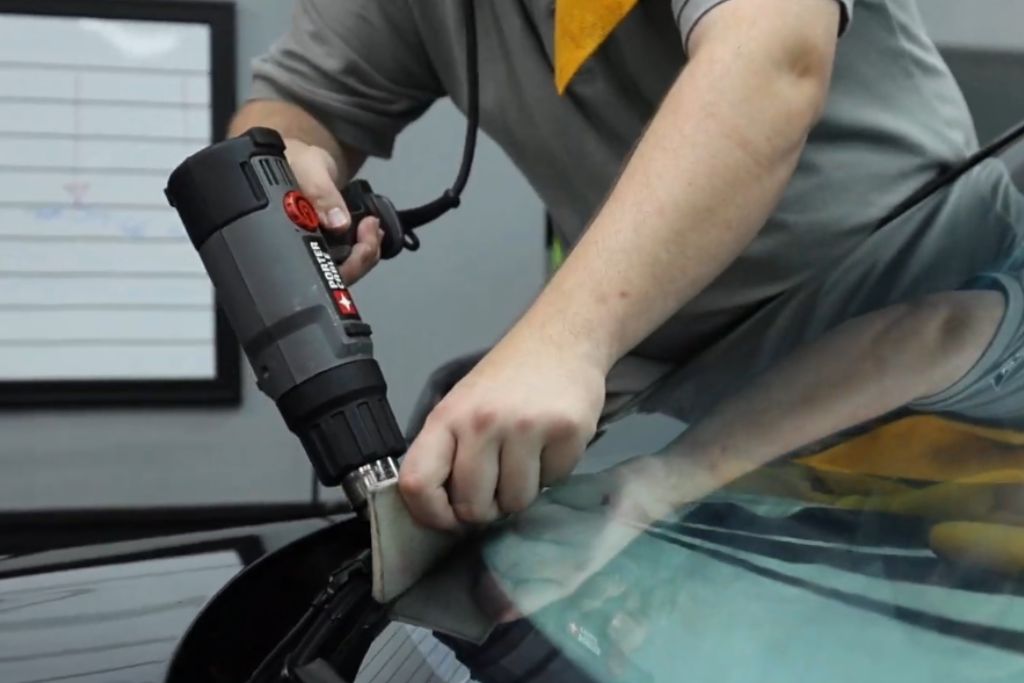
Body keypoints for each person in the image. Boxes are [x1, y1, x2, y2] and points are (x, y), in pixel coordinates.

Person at [231, 0, 1024, 531]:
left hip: (942, 330)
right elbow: (297, 103)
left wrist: (563, 341)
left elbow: (771, 56)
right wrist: (288, 156)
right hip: (684, 382)